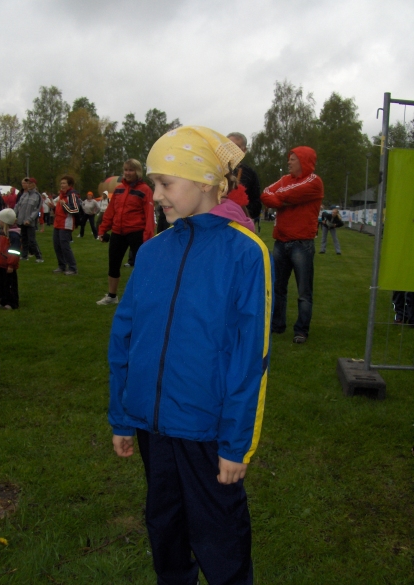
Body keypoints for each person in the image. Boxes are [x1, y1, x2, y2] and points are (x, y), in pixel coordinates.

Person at [108, 126, 272, 585]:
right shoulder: (152, 252)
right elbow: (124, 337)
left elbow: (250, 358)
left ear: (205, 182)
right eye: (153, 183)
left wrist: (236, 445)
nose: (156, 194)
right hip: (151, 425)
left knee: (220, 535)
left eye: (165, 183)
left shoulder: (245, 253)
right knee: (165, 527)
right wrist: (122, 416)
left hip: (207, 429)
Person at [261, 146, 323, 344]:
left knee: (304, 291)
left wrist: (278, 200)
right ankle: (277, 325)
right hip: (281, 242)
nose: (289, 162)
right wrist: (281, 200)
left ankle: (301, 330)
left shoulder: (314, 182)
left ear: (304, 161)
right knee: (278, 287)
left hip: (302, 244)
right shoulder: (285, 180)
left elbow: (280, 195)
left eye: (293, 159)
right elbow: (265, 194)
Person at [96, 159, 154, 305]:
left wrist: (148, 236)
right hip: (118, 232)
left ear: (138, 172)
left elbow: (149, 215)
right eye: (126, 170)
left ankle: (144, 296)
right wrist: (102, 230)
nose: (127, 173)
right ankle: (112, 296)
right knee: (113, 264)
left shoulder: (145, 190)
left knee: (142, 265)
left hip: (136, 232)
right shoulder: (119, 189)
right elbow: (110, 212)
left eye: (131, 170)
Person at [227, 132, 262, 221]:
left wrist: (241, 208)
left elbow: (256, 204)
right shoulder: (215, 170)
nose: (233, 150)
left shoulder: (250, 174)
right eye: (229, 146)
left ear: (244, 150)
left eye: (237, 147)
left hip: (238, 221)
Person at [51, 175, 81, 275]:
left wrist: (64, 204)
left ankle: (73, 268)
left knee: (65, 246)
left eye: (64, 183)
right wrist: (53, 208)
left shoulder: (72, 195)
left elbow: (75, 210)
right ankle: (62, 266)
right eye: (61, 183)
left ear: (70, 185)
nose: (62, 185)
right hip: (57, 223)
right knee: (57, 245)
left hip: (66, 224)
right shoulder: (61, 195)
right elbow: (60, 210)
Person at [0, 208, 21, 310]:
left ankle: (12, 302)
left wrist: (11, 265)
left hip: (8, 265)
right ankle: (3, 300)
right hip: (0, 263)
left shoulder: (13, 236)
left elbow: (14, 252)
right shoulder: (1, 234)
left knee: (10, 284)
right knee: (1, 284)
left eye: (0, 220)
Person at [14, 177, 44, 262]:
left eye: (30, 183)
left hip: (30, 222)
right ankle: (24, 255)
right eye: (28, 183)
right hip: (21, 220)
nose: (29, 185)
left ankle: (39, 257)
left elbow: (36, 210)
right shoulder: (24, 194)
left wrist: (30, 219)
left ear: (34, 184)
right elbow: (18, 205)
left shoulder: (37, 196)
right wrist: (14, 215)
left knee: (32, 240)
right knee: (24, 240)